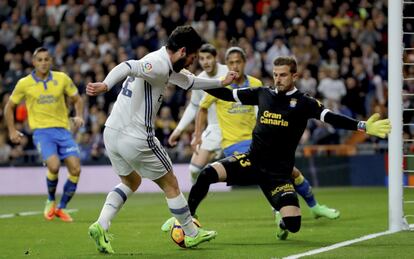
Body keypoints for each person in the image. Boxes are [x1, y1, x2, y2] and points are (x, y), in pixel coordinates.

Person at [179, 56, 391, 240]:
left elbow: (332, 118)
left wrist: (362, 126)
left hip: (279, 174)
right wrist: (194, 81)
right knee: (206, 173)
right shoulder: (263, 93)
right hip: (251, 161)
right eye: (275, 75)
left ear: (294, 76)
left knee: (294, 224)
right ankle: (188, 220)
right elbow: (226, 94)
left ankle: (282, 221)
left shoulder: (305, 103)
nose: (278, 79)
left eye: (283, 75)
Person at [85, 25, 238, 254]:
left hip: (112, 132)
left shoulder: (166, 64)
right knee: (171, 184)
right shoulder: (156, 64)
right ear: (183, 51)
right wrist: (106, 84)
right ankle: (192, 234)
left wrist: (220, 82)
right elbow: (127, 66)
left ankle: (101, 224)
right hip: (136, 137)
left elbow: (191, 82)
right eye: (193, 57)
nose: (192, 63)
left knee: (131, 182)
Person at [192, 47, 339, 220]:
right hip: (233, 143)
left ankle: (309, 208)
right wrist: (196, 134)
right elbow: (202, 108)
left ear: (245, 63)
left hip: (256, 139)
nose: (235, 66)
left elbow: (264, 111)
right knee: (272, 172)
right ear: (226, 65)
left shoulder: (256, 84)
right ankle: (283, 212)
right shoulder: (220, 83)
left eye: (238, 61)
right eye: (231, 62)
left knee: (291, 172)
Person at [4, 47, 84, 222]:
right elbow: (9, 107)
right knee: (54, 166)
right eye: (39, 60)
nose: (43, 62)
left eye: (46, 59)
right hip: (42, 132)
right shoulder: (24, 83)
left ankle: (61, 208)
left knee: (76, 169)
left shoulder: (61, 78)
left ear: (51, 61)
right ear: (33, 62)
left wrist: (78, 115)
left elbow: (77, 98)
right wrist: (11, 130)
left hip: (63, 130)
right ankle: (50, 200)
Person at [168, 44, 228, 184]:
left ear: (216, 58)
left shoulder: (228, 72)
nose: (205, 62)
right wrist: (178, 130)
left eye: (208, 58)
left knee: (256, 166)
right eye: (201, 59)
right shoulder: (199, 80)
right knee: (194, 169)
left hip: (234, 127)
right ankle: (195, 197)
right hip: (214, 128)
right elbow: (193, 107)